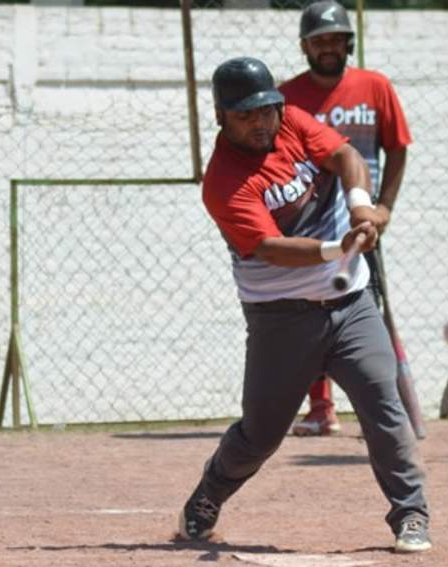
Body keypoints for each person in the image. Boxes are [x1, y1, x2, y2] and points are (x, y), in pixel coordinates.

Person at [177, 56, 431, 553]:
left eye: (266, 110)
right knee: (260, 436)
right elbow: (271, 249)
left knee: (383, 407)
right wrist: (339, 248)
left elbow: (346, 156)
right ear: (221, 117)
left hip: (351, 303)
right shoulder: (223, 182)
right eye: (245, 115)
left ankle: (411, 513)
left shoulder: (291, 121)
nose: (260, 122)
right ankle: (210, 492)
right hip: (281, 318)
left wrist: (360, 206)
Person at [280, 0, 412, 436]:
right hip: (310, 222)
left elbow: (397, 148)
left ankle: (381, 411)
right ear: (305, 46)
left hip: (361, 222)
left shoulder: (375, 86)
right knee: (310, 310)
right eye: (319, 41)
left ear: (349, 43)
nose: (329, 48)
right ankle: (321, 407)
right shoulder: (287, 97)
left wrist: (384, 207)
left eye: (336, 39)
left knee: (365, 312)